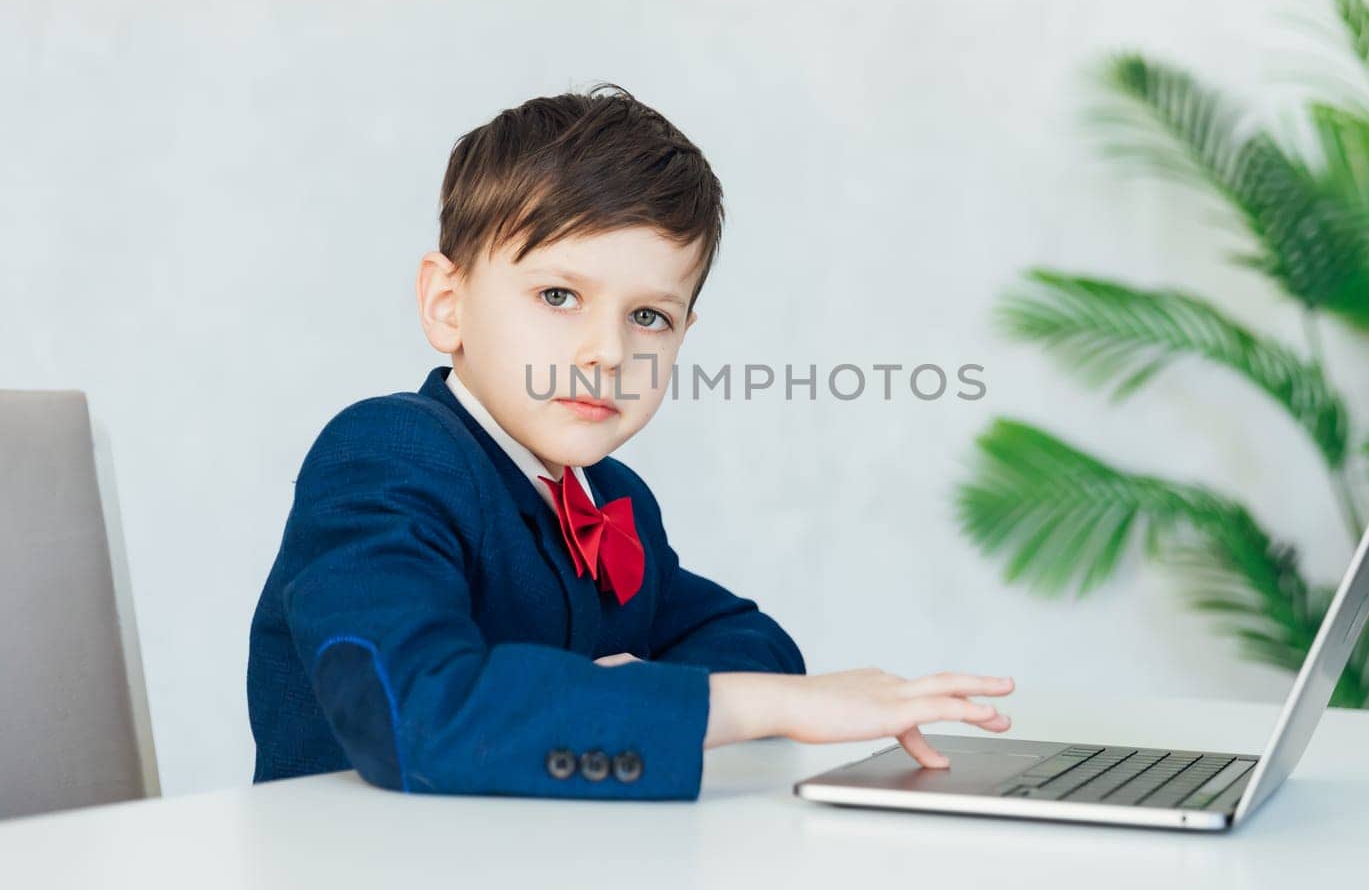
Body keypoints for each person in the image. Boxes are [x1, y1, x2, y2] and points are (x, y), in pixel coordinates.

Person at [246, 83, 1014, 799]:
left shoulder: (612, 497)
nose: (608, 352)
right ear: (448, 303)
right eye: (558, 295)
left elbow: (754, 641)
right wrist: (733, 705)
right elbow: (408, 711)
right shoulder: (384, 455)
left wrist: (636, 695)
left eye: (650, 316)